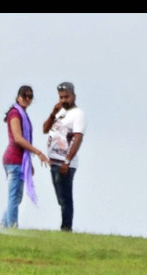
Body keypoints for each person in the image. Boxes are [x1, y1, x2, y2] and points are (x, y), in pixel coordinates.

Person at [0, 85, 48, 229]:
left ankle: (4, 224)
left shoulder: (23, 114)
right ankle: (12, 225)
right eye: (25, 95)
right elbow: (18, 139)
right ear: (18, 97)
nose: (27, 99)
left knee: (17, 197)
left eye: (30, 96)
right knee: (14, 196)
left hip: (21, 160)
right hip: (13, 158)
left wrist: (29, 164)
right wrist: (38, 152)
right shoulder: (15, 114)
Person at [42, 81, 88, 232]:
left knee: (65, 198)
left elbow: (78, 138)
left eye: (66, 97)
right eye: (61, 97)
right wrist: (52, 113)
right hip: (54, 162)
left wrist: (67, 161)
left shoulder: (78, 114)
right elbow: (45, 129)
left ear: (73, 96)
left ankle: (66, 227)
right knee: (60, 198)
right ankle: (65, 225)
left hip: (65, 163)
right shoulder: (60, 112)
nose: (63, 100)